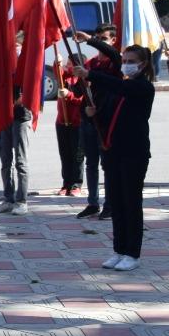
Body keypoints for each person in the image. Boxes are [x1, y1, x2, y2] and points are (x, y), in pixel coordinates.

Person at [89, 44, 155, 271]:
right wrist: (93, 114)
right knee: (116, 202)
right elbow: (107, 115)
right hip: (113, 151)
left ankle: (132, 253)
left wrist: (89, 73)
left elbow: (115, 81)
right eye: (124, 60)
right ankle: (119, 250)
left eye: (130, 61)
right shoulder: (120, 89)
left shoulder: (143, 87)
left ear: (143, 64)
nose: (126, 64)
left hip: (134, 153)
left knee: (131, 202)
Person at [71, 24, 121, 220]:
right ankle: (93, 203)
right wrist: (80, 82)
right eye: (98, 37)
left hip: (106, 121)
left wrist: (90, 39)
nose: (100, 41)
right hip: (88, 120)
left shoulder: (116, 62)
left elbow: (111, 55)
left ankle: (110, 204)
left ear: (113, 41)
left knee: (107, 165)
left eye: (103, 38)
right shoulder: (90, 64)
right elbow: (78, 91)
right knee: (90, 163)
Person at [0, 76, 32, 216]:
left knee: (21, 161)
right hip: (5, 116)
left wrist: (22, 98)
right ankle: (8, 199)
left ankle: (21, 201)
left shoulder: (25, 65)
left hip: (21, 117)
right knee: (5, 160)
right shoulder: (3, 66)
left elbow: (33, 90)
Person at [54, 62, 85, 197]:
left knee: (77, 155)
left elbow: (82, 100)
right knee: (65, 154)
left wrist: (69, 95)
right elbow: (58, 73)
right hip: (61, 122)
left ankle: (76, 184)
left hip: (77, 123)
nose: (68, 66)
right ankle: (66, 184)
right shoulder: (65, 78)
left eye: (71, 64)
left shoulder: (84, 80)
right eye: (67, 63)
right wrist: (57, 62)